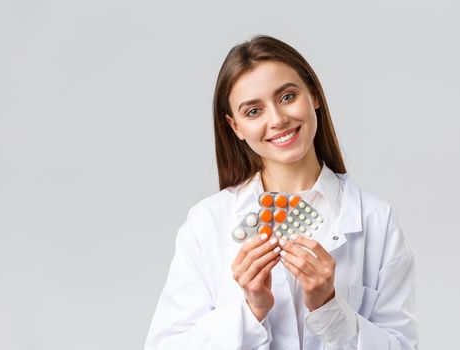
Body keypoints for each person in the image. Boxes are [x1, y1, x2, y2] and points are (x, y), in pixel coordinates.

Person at [145, 35, 417, 349]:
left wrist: (329, 307)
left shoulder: (376, 220)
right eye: (253, 112)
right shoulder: (208, 221)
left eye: (287, 96)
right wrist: (250, 311)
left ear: (313, 94)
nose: (277, 120)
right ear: (236, 128)